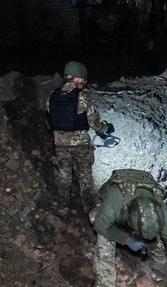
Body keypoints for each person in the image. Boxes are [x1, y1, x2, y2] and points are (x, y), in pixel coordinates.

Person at [89, 169, 167, 287]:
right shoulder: (115, 200)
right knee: (104, 243)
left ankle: (157, 272)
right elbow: (100, 225)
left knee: (157, 247)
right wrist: (126, 239)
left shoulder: (163, 216)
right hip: (110, 217)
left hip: (140, 220)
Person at [46, 60, 113, 216]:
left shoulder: (52, 96)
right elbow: (93, 122)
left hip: (60, 145)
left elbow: (49, 119)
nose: (83, 81)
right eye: (82, 78)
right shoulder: (82, 96)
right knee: (85, 177)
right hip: (80, 145)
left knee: (64, 176)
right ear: (76, 78)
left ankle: (63, 207)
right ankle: (90, 210)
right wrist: (105, 128)